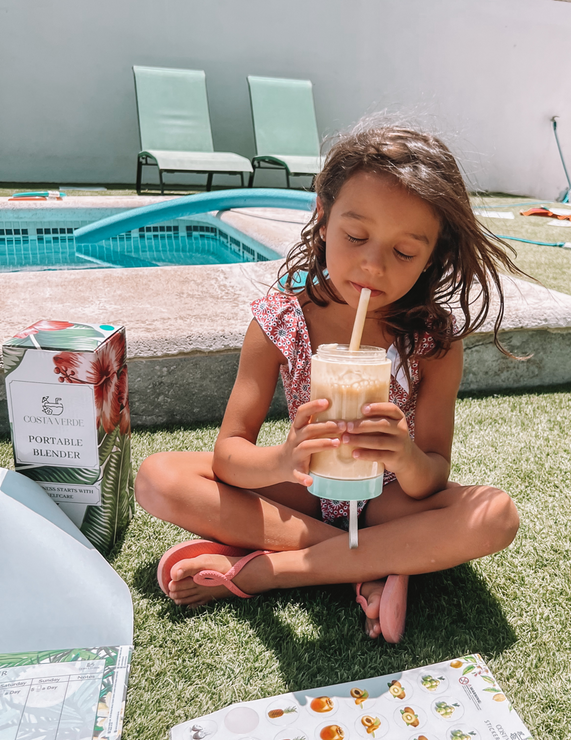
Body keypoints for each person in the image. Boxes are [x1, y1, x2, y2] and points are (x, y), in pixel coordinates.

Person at [135, 123, 523, 643]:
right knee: (158, 477)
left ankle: (271, 571)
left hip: (389, 501)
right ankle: (371, 563)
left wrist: (404, 457)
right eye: (356, 236)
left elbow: (431, 475)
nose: (372, 264)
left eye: (404, 252)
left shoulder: (432, 341)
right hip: (305, 492)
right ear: (322, 217)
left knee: (496, 515)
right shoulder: (281, 320)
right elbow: (229, 453)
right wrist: (283, 460)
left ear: (433, 252)